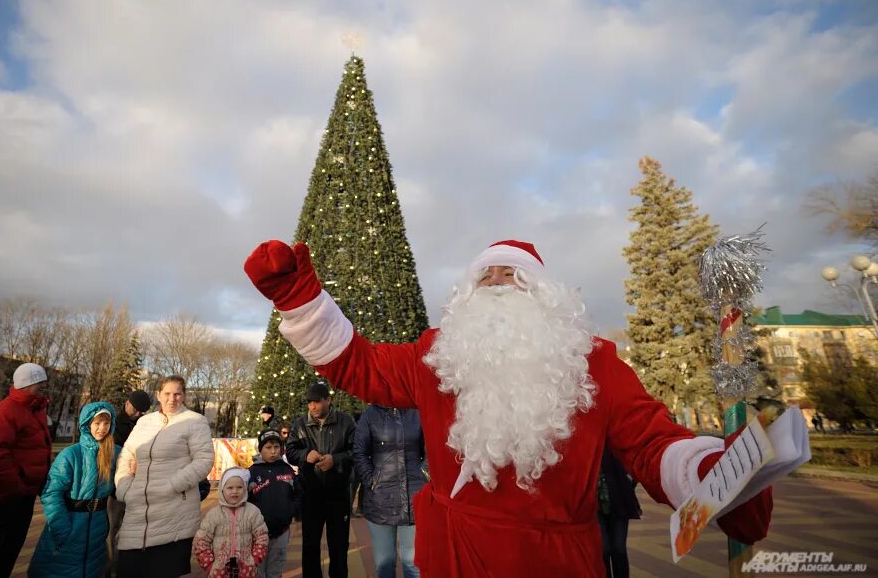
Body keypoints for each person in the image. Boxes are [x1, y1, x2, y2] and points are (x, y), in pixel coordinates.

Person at [244, 239, 784, 577]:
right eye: (487, 275)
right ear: (467, 295)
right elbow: (360, 366)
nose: (498, 283)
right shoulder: (437, 355)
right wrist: (301, 298)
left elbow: (650, 440)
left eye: (512, 274)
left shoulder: (593, 363)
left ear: (544, 294)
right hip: (454, 557)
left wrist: (713, 473)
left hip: (554, 563)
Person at [114, 375, 215, 578]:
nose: (172, 398)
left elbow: (204, 460)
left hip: (174, 512)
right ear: (158, 395)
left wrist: (174, 485)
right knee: (129, 569)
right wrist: (124, 488)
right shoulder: (144, 422)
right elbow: (127, 455)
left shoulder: (195, 421)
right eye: (167, 393)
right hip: (138, 511)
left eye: (177, 394)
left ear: (184, 396)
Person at [0, 362, 52, 578]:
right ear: (28, 384)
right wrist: (14, 488)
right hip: (7, 498)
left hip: (24, 494)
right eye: (40, 383)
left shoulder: (33, 410)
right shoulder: (7, 411)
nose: (43, 388)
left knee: (10, 552)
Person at [29, 402, 119, 578]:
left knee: (91, 569)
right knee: (61, 570)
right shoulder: (71, 454)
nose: (102, 428)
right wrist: (61, 528)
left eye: (106, 423)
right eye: (97, 423)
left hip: (97, 526)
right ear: (87, 424)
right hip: (69, 523)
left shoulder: (114, 454)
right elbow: (51, 493)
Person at [285, 382, 355, 578]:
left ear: (328, 400)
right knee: (310, 547)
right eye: (309, 403)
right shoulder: (300, 424)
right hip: (310, 494)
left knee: (339, 546)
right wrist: (305, 455)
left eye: (317, 402)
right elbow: (290, 451)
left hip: (338, 494)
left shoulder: (346, 421)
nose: (312, 406)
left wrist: (336, 460)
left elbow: (357, 452)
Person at [352, 405, 425, 578]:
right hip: (380, 498)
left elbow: (431, 448)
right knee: (385, 562)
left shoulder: (416, 412)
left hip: (414, 495)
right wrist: (372, 480)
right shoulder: (370, 414)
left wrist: (425, 475)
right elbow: (359, 452)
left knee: (413, 562)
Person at [192, 466, 268, 578]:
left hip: (247, 570)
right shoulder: (214, 515)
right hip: (219, 571)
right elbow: (201, 541)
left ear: (245, 489)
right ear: (222, 489)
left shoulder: (252, 512)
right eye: (230, 488)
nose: (235, 491)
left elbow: (262, 537)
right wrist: (209, 565)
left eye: (239, 487)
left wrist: (254, 559)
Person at [109, 390, 151, 576]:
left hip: (137, 486)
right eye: (134, 409)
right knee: (111, 530)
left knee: (131, 531)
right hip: (116, 486)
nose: (136, 414)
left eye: (140, 412)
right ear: (127, 403)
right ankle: (110, 569)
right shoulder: (114, 424)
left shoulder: (143, 426)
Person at [248, 429, 300, 578]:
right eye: (268, 447)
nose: (273, 452)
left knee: (275, 571)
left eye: (276, 447)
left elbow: (298, 494)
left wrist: (293, 513)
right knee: (257, 571)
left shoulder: (287, 470)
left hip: (281, 532)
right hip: (257, 533)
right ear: (260, 449)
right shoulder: (251, 473)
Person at [596, 448, 641, 578]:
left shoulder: (616, 444)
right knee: (604, 550)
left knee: (618, 549)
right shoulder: (586, 448)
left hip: (619, 504)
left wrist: (627, 483)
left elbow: (634, 464)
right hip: (595, 508)